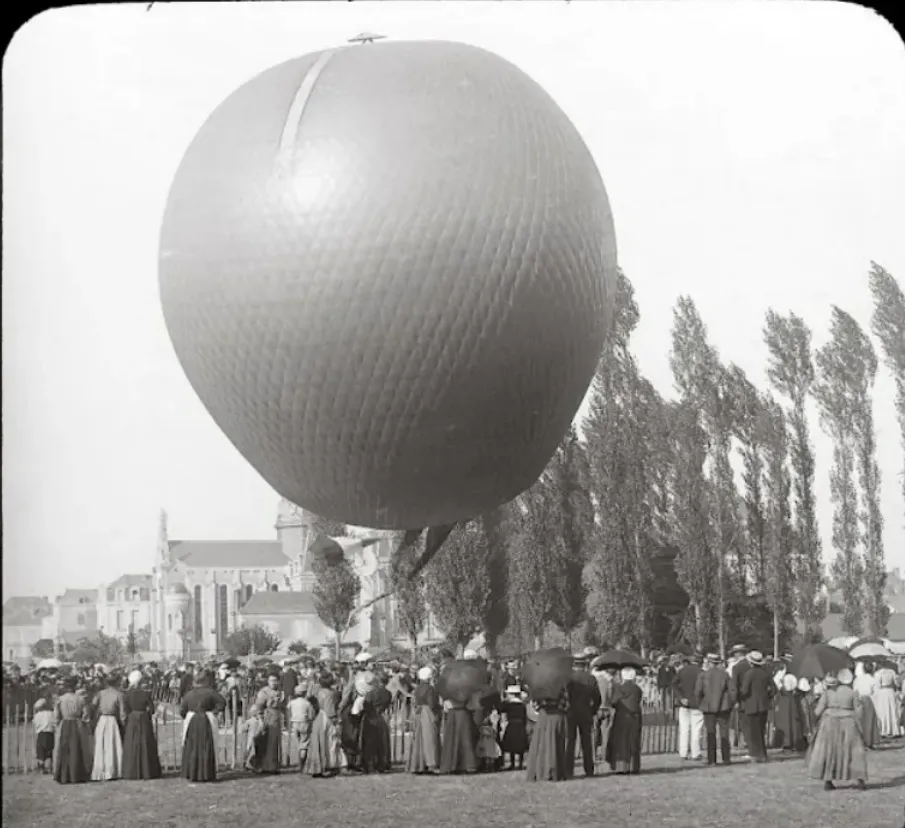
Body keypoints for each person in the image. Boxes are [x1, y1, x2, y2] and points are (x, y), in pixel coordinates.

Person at [807, 669, 868, 791]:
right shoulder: (853, 693)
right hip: (848, 722)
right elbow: (860, 713)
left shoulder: (828, 693)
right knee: (853, 751)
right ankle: (859, 779)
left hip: (829, 722)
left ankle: (828, 780)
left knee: (829, 750)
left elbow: (817, 711)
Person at [179, 669, 226, 783]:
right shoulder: (211, 692)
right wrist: (214, 711)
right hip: (206, 720)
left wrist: (187, 715)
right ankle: (206, 772)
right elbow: (222, 702)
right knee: (206, 746)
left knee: (192, 746)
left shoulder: (189, 694)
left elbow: (182, 710)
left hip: (193, 721)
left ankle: (192, 772)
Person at [524, 682, 570, 782]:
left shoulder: (540, 686)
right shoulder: (561, 685)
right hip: (557, 716)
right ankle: (555, 772)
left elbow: (535, 705)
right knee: (555, 744)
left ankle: (540, 771)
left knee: (540, 744)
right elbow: (566, 704)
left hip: (543, 716)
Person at [122, 669, 162, 780]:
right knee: (145, 743)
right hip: (143, 719)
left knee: (132, 743)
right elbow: (152, 709)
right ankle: (147, 770)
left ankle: (131, 770)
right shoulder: (145, 693)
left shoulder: (127, 695)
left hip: (132, 719)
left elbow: (125, 709)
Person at [566, 654, 601, 778]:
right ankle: (589, 769)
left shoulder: (569, 678)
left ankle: (569, 770)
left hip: (571, 713)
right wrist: (592, 710)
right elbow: (597, 698)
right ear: (584, 664)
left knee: (570, 742)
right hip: (586, 712)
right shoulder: (591, 678)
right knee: (587, 742)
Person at [695, 653, 733, 766]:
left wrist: (699, 704)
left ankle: (712, 760)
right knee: (724, 733)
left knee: (710, 733)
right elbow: (732, 691)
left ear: (709, 663)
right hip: (724, 707)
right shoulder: (725, 675)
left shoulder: (703, 675)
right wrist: (730, 703)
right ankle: (726, 758)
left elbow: (698, 692)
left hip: (708, 707)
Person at [53, 676, 92, 784]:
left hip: (65, 723)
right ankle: (77, 774)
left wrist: (57, 723)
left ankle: (64, 774)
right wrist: (85, 723)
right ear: (74, 686)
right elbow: (86, 715)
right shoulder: (80, 699)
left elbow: (56, 715)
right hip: (77, 724)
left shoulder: (60, 699)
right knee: (77, 748)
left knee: (64, 749)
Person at [307, 673, 347, 777]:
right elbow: (330, 710)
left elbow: (310, 698)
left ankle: (316, 767)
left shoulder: (318, 691)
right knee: (330, 743)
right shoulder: (331, 694)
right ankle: (329, 765)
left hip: (319, 717)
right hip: (327, 719)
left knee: (318, 743)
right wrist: (336, 721)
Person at [606, 667, 643, 775]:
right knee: (633, 740)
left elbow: (613, 702)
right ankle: (634, 766)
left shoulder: (619, 688)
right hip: (635, 717)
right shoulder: (637, 689)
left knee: (621, 741)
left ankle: (622, 766)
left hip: (622, 716)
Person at [407, 666, 441, 774]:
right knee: (430, 738)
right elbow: (432, 703)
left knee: (419, 739)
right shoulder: (429, 688)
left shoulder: (417, 688)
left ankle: (419, 763)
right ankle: (431, 763)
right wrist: (439, 708)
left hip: (419, 713)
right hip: (428, 713)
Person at [739, 651, 773, 763]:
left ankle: (755, 754)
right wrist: (767, 696)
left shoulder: (749, 674)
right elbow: (773, 689)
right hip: (763, 705)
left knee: (753, 732)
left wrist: (740, 696)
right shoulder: (765, 674)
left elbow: (744, 690)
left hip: (752, 705)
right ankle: (763, 754)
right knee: (761, 731)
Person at [91, 672, 125, 781]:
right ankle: (112, 770)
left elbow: (93, 706)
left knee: (101, 745)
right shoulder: (119, 694)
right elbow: (122, 712)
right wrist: (124, 724)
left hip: (102, 719)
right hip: (112, 720)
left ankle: (101, 770)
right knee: (113, 745)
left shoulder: (100, 694)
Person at [252, 670, 284, 774]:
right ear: (268, 681)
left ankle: (273, 765)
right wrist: (261, 720)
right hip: (267, 717)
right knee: (266, 743)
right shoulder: (264, 692)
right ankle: (265, 766)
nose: (274, 682)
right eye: (271, 680)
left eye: (275, 680)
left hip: (276, 719)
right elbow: (259, 707)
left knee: (274, 743)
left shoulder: (279, 691)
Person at [360, 673, 392, 774]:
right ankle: (382, 764)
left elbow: (366, 705)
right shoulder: (388, 693)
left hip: (371, 717)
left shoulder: (371, 693)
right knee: (382, 742)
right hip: (381, 718)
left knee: (370, 742)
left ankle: (370, 765)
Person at [674, 654, 704, 760]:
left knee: (684, 729)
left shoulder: (682, 671)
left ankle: (683, 752)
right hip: (697, 703)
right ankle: (695, 753)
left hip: (684, 703)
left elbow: (673, 684)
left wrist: (681, 697)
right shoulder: (701, 672)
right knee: (696, 729)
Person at [772, 672, 807, 752]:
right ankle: (793, 743)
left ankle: (787, 744)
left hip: (782, 716)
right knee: (793, 726)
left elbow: (775, 704)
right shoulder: (795, 697)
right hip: (793, 715)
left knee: (785, 727)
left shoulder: (781, 694)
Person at [500, 685, 530, 771]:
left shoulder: (509, 705)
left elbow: (501, 708)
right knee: (520, 745)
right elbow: (525, 717)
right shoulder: (522, 705)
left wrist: (504, 700)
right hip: (520, 724)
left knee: (511, 744)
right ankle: (520, 763)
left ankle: (512, 763)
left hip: (512, 724)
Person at [852, 660, 880, 749]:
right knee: (869, 721)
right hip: (868, 699)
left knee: (860, 721)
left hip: (858, 699)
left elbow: (855, 690)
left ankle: (861, 741)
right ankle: (869, 741)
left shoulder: (858, 679)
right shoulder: (872, 679)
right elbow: (876, 692)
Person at [728, 644, 751, 756]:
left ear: (737, 654)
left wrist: (735, 700)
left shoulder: (737, 667)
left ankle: (748, 744)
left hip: (743, 699)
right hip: (754, 698)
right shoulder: (751, 665)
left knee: (744, 723)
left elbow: (734, 685)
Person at [288, 684, 315, 771]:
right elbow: (311, 716)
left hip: (294, 723)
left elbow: (288, 711)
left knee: (297, 744)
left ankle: (299, 763)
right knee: (304, 744)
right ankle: (302, 765)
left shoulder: (292, 702)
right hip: (304, 723)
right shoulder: (307, 703)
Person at [872, 664, 903, 738]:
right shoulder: (892, 672)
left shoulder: (878, 673)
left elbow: (877, 685)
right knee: (892, 710)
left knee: (883, 711)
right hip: (890, 691)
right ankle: (894, 730)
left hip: (882, 692)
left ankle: (884, 730)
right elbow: (897, 683)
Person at [33, 699, 55, 774]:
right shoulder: (51, 713)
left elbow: (35, 724)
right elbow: (54, 723)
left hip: (41, 734)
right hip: (50, 733)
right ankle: (50, 767)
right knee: (50, 750)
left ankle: (42, 768)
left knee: (41, 751)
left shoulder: (37, 715)